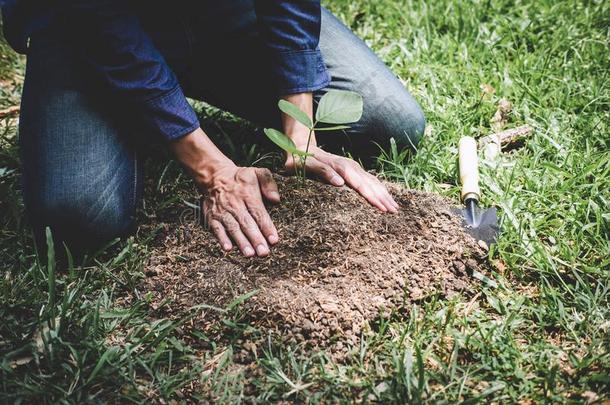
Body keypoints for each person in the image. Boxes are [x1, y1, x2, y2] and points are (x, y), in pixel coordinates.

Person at [2, 1, 425, 258]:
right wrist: (212, 169)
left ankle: (160, 100)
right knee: (78, 217)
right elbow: (94, 19)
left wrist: (300, 133)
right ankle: (139, 113)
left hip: (219, 10)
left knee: (391, 122)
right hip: (83, 27)